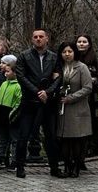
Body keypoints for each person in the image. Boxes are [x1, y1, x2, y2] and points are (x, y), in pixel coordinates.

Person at [14, 29, 64, 179]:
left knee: (50, 136)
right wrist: (38, 92)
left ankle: (54, 167)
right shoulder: (24, 56)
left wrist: (47, 93)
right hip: (29, 102)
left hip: (48, 103)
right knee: (23, 135)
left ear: (47, 39)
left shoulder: (54, 58)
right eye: (35, 37)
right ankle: (20, 167)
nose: (38, 39)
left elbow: (59, 77)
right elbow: (21, 76)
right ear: (32, 39)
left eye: (41, 37)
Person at [55, 42, 93, 177]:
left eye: (69, 51)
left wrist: (71, 98)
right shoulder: (58, 68)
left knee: (76, 140)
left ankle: (76, 166)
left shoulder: (82, 68)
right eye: (64, 52)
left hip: (78, 108)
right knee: (64, 139)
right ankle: (66, 166)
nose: (67, 54)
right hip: (62, 109)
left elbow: (88, 87)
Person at [75, 34, 98, 153]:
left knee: (91, 123)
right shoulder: (73, 59)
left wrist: (94, 80)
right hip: (76, 94)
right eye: (79, 42)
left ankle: (89, 148)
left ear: (89, 44)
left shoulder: (95, 61)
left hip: (91, 96)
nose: (81, 44)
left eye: (84, 42)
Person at [0, 57, 21, 171]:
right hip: (1, 114)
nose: (6, 74)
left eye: (8, 71)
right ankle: (1, 158)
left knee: (15, 140)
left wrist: (12, 115)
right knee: (3, 138)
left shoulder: (18, 86)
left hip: (12, 116)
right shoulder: (4, 84)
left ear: (15, 72)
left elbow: (18, 102)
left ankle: (15, 160)